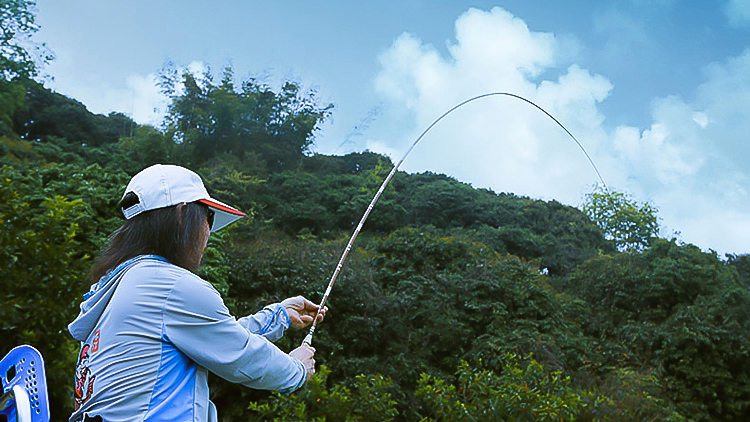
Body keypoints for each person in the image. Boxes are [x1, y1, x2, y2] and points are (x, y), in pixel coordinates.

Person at [68, 164, 325, 422]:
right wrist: (297, 369)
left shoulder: (117, 286)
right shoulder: (170, 285)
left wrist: (279, 315)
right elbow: (241, 356)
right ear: (182, 214)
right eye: (209, 218)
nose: (208, 234)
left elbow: (215, 337)